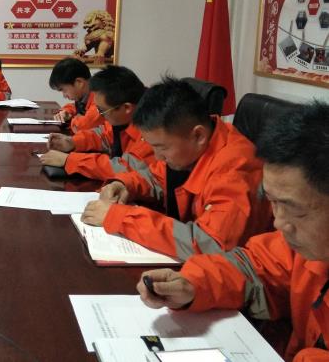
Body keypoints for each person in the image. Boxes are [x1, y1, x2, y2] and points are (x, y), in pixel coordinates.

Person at [137, 101, 329, 362]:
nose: (278, 222)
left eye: (295, 210)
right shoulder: (306, 245)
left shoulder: (234, 163)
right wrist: (192, 284)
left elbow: (212, 241)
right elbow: (254, 266)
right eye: (273, 202)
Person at [81, 77, 271, 260]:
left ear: (198, 135)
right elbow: (157, 177)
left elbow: (211, 244)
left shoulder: (235, 170)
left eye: (162, 148)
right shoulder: (193, 146)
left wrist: (120, 218)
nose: (157, 157)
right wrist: (124, 185)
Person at [40, 65, 154, 179]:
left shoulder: (153, 128)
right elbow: (104, 135)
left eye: (101, 110)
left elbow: (125, 168)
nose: (99, 115)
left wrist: (69, 160)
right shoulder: (124, 115)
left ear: (127, 108)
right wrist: (72, 142)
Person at [49, 57, 101, 133]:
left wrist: (70, 120)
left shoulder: (100, 101)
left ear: (79, 83)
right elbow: (75, 106)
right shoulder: (84, 97)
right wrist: (66, 111)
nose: (64, 96)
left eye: (63, 90)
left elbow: (83, 126)